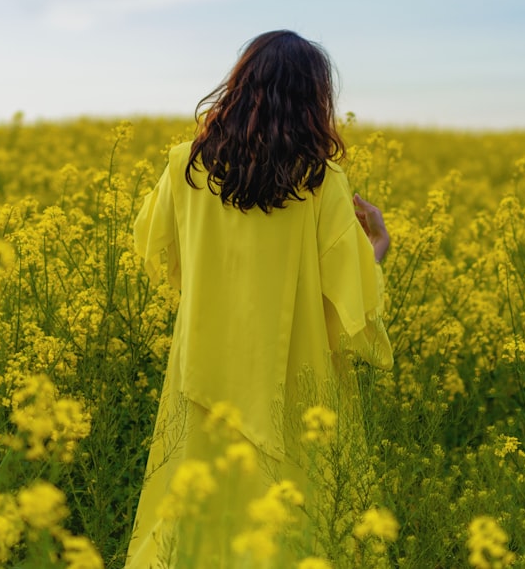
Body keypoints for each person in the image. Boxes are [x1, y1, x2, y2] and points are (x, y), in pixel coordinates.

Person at [126, 30, 393, 568]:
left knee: (195, 510)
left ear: (239, 85)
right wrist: (379, 247)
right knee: (297, 516)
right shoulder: (322, 180)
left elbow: (158, 253)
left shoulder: (185, 165)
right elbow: (350, 299)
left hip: (202, 373)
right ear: (313, 101)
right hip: (295, 381)